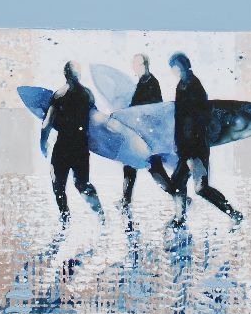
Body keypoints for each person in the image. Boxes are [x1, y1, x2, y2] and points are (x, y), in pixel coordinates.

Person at [168, 52, 243, 228]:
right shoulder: (182, 86)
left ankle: (233, 213)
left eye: (176, 68)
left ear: (184, 66)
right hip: (186, 147)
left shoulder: (194, 87)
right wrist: (179, 144)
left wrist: (190, 150)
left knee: (201, 188)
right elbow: (180, 118)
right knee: (178, 182)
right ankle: (180, 218)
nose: (175, 72)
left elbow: (198, 120)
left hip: (195, 147)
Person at [40, 61, 105, 225]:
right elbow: (96, 120)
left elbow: (47, 122)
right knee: (82, 184)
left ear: (65, 74)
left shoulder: (59, 95)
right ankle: (100, 214)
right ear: (79, 74)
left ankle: (64, 215)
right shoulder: (87, 94)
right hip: (80, 146)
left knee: (58, 182)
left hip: (63, 146)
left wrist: (43, 142)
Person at [119, 54, 175, 210]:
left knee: (154, 169)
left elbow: (152, 108)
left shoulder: (151, 82)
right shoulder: (143, 82)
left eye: (136, 64)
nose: (134, 67)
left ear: (144, 64)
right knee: (132, 166)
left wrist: (131, 111)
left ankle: (177, 195)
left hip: (148, 136)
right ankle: (126, 201)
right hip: (143, 134)